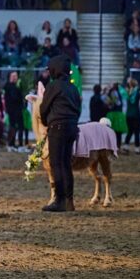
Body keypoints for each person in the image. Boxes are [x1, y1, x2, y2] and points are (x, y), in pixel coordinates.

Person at [39, 55, 82, 212]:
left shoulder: (53, 86)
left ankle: (59, 200)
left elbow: (44, 108)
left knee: (56, 163)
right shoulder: (73, 88)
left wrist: (46, 122)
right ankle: (69, 201)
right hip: (72, 127)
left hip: (57, 127)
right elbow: (78, 109)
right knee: (66, 164)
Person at [3, 71, 26, 152]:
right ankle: (17, 144)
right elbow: (14, 98)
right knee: (17, 127)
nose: (15, 77)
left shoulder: (13, 86)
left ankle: (13, 144)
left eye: (16, 76)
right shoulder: (10, 86)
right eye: (14, 76)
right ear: (10, 77)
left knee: (15, 127)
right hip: (14, 110)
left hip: (14, 109)